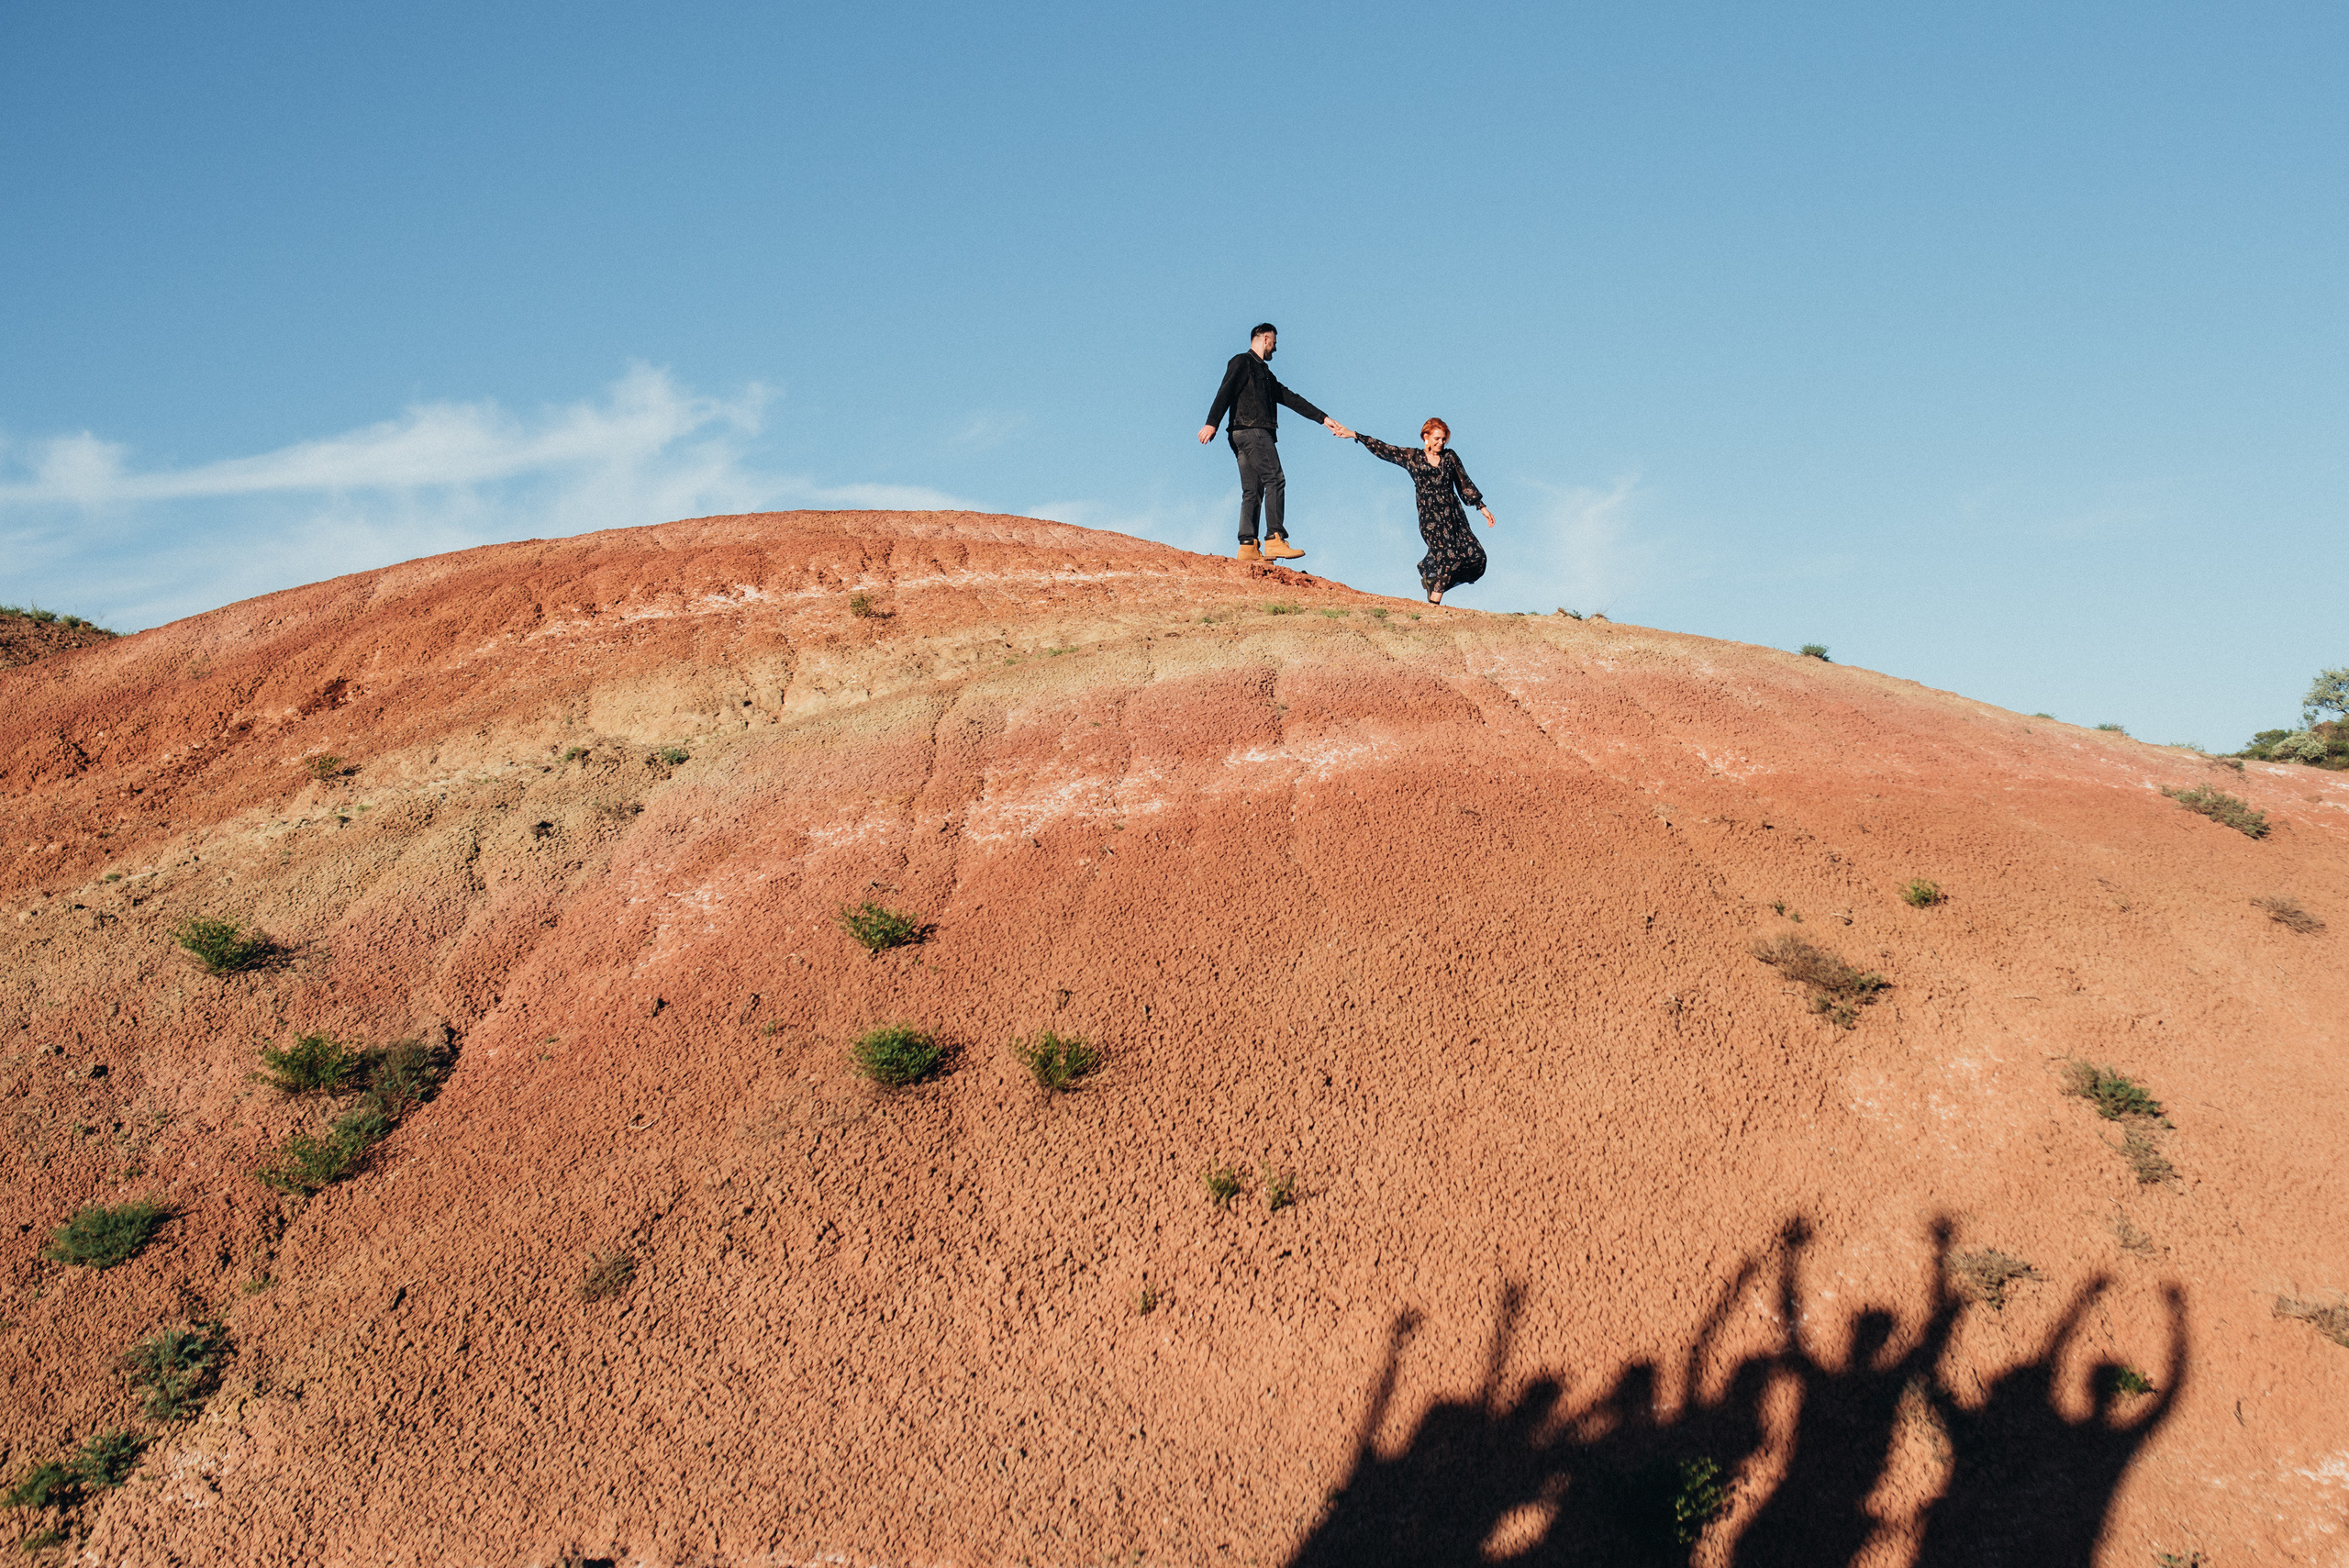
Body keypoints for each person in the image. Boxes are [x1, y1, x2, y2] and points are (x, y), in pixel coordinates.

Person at [1198, 323, 1352, 562]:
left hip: (1241, 434)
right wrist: (1211, 422)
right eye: (1275, 344)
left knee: (1253, 490)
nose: (1275, 350)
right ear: (1266, 339)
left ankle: (1247, 546)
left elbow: (1290, 398)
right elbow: (1225, 391)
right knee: (1276, 479)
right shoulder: (1242, 362)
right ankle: (1274, 538)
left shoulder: (1266, 375)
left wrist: (1322, 418)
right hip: (1253, 431)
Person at [1335, 417, 1494, 603]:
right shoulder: (1413, 457)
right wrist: (1354, 435)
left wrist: (1482, 507)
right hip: (1431, 519)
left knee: (1476, 557)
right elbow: (1385, 449)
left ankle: (1433, 581)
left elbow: (1464, 483)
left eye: (1443, 439)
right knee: (1450, 559)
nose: (1441, 443)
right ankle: (1434, 605)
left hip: (1454, 517)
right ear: (1425, 437)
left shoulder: (1450, 457)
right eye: (1437, 439)